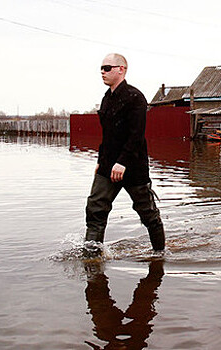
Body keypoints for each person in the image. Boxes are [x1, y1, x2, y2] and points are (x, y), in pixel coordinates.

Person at [84, 53, 165, 255]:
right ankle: (91, 259)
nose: (102, 72)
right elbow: (107, 135)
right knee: (95, 209)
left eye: (107, 68)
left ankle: (160, 254)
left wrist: (122, 162)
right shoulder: (106, 99)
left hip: (133, 166)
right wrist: (101, 161)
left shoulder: (135, 97)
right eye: (101, 68)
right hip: (107, 166)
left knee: (147, 213)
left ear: (121, 69)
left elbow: (136, 135)